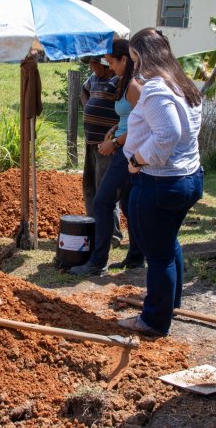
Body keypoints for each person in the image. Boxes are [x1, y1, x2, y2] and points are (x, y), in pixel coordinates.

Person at [118, 28, 203, 337]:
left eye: (133, 57)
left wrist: (137, 160)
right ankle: (170, 301)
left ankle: (153, 320)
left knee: (158, 254)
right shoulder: (184, 84)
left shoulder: (155, 89)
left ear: (141, 55)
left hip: (160, 182)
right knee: (168, 242)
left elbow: (168, 134)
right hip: (188, 177)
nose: (133, 64)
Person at [69, 39, 144, 276]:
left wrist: (116, 141)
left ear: (124, 60)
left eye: (112, 62)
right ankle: (135, 257)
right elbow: (129, 119)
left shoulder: (134, 86)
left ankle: (97, 263)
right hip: (122, 145)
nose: (109, 66)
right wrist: (115, 130)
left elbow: (146, 124)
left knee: (102, 202)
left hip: (127, 151)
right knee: (128, 204)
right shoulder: (124, 82)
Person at [80, 55, 121, 247]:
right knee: (89, 187)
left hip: (107, 145)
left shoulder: (118, 81)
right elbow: (84, 90)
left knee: (105, 191)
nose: (92, 69)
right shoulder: (94, 79)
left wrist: (114, 136)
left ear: (106, 66)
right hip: (90, 141)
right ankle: (95, 229)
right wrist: (88, 105)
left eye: (95, 66)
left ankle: (111, 235)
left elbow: (127, 111)